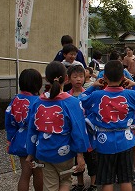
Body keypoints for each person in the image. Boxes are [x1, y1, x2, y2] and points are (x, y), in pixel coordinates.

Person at [80, 60, 135, 191]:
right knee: (125, 179)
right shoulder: (130, 94)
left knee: (107, 181)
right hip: (126, 140)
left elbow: (81, 99)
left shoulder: (96, 95)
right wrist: (134, 85)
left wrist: (93, 86)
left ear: (104, 77)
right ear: (123, 77)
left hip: (103, 142)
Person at [26, 61, 89, 191]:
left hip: (43, 151)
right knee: (66, 181)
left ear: (46, 79)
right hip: (64, 153)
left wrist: (30, 152)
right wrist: (80, 155)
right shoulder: (71, 102)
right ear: (66, 79)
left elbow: (31, 130)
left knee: (49, 185)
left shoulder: (38, 102)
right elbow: (79, 130)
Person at [5, 69, 43, 191]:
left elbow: (9, 121)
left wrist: (10, 139)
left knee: (25, 174)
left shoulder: (15, 99)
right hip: (36, 140)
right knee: (38, 172)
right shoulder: (39, 101)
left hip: (21, 139)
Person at [66, 65, 97, 191]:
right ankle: (80, 184)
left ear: (85, 78)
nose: (78, 79)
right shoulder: (66, 96)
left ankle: (94, 184)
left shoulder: (89, 95)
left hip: (88, 134)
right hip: (73, 134)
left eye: (81, 76)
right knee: (76, 160)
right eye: (75, 77)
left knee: (91, 160)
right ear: (68, 79)